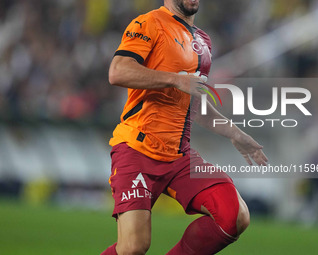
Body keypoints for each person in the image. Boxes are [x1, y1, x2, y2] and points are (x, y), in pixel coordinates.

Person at [102, 0, 268, 254]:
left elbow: (194, 104)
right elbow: (118, 71)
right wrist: (174, 79)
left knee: (235, 216)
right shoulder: (149, 23)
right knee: (133, 247)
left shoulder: (203, 41)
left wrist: (236, 134)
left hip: (179, 157)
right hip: (138, 148)